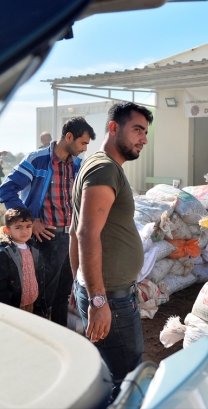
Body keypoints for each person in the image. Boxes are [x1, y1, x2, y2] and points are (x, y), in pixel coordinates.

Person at [70, 102, 152, 397]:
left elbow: (74, 231)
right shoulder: (104, 168)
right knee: (127, 380)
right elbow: (86, 233)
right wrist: (98, 299)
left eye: (146, 132)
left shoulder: (95, 165)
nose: (143, 138)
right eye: (138, 130)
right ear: (114, 128)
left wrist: (77, 281)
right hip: (111, 299)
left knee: (107, 370)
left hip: (105, 293)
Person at [0, 117, 95, 327]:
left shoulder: (77, 165)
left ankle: (61, 336)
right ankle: (40, 340)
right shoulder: (38, 160)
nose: (84, 148)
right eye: (83, 143)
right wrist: (31, 221)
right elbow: (6, 190)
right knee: (43, 297)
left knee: (63, 294)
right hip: (47, 239)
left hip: (71, 238)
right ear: (69, 136)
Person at [0, 207, 39, 312]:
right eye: (18, 227)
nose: (25, 231)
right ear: (7, 230)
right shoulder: (2, 253)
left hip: (30, 304)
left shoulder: (33, 248)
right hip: (13, 307)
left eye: (28, 226)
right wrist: (5, 310)